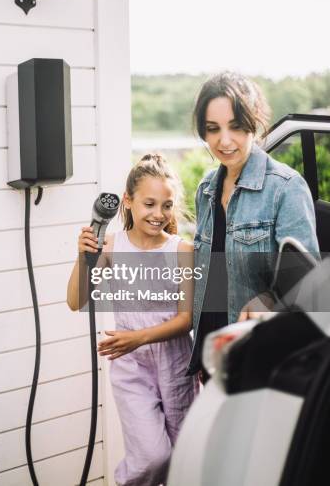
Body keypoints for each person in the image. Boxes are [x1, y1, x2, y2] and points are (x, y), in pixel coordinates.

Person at [67, 154, 198, 486]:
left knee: (184, 457)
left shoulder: (182, 251)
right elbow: (75, 300)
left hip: (177, 364)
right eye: (149, 204)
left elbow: (185, 320)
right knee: (153, 457)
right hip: (132, 369)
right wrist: (84, 258)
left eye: (166, 205)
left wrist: (138, 337)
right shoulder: (111, 246)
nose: (158, 214)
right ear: (128, 201)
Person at [186, 71, 320, 379]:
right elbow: (210, 272)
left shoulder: (285, 188)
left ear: (254, 122)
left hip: (260, 360)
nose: (224, 140)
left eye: (236, 126)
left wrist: (270, 298)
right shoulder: (206, 188)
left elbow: (308, 287)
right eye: (212, 129)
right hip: (213, 355)